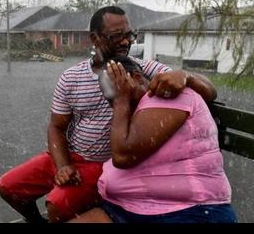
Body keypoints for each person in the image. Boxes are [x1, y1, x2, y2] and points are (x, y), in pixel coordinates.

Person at [0, 6, 218, 223]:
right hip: (69, 155)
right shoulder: (71, 77)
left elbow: (209, 91)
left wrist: (186, 75)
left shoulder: (140, 69)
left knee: (57, 205)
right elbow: (56, 127)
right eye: (117, 36)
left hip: (103, 164)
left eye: (130, 35)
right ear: (94, 38)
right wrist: (63, 165)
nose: (126, 41)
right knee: (9, 187)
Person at [69, 57, 236, 223]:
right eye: (109, 97)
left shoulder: (166, 94)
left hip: (186, 211)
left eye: (115, 90)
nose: (112, 102)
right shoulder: (137, 110)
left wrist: (121, 101)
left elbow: (123, 156)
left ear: (136, 77)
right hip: (125, 208)